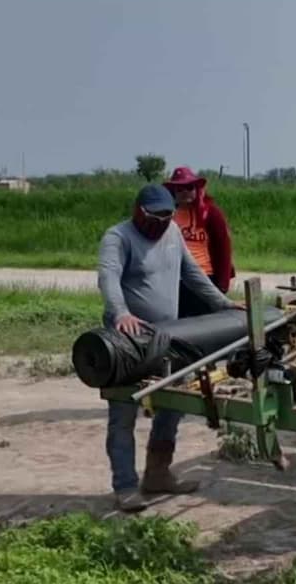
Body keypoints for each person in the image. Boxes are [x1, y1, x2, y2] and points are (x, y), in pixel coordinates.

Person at [98, 183, 241, 512]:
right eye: (155, 218)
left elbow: (192, 274)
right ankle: (125, 487)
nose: (162, 224)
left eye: (167, 217)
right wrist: (121, 313)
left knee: (172, 407)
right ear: (138, 212)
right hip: (127, 342)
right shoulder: (117, 238)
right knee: (122, 415)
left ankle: (158, 475)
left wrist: (222, 304)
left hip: (168, 338)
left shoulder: (173, 233)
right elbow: (108, 276)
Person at [163, 166, 235, 315]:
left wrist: (222, 284)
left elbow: (224, 248)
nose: (185, 192)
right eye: (180, 189)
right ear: (173, 192)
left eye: (189, 187)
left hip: (204, 276)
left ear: (196, 189)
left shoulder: (210, 213)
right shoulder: (167, 215)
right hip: (176, 279)